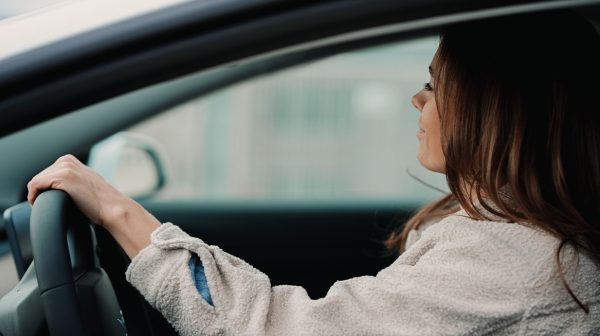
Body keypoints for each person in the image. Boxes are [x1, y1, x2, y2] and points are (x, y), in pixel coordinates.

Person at [27, 10, 600, 336]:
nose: (418, 101)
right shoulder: (514, 241)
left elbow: (275, 331)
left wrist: (118, 211)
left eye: (435, 83)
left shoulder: (519, 262)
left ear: (492, 109)